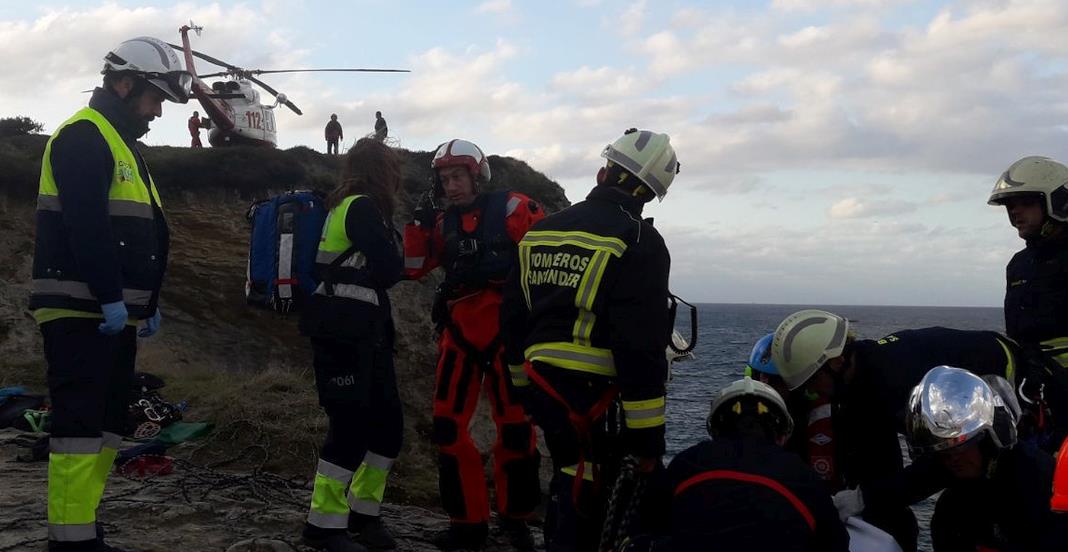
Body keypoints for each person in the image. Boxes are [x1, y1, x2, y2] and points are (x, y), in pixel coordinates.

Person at [28, 35, 190, 552]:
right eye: (155, 97)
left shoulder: (122, 146)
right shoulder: (84, 136)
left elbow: (140, 234)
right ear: (125, 83)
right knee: (80, 424)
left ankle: (83, 523)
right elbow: (88, 227)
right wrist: (110, 296)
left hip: (112, 311)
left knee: (110, 421)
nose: (158, 110)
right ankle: (69, 539)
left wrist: (147, 303)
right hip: (80, 308)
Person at [500, 128, 679, 552]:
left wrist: (522, 389)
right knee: (598, 488)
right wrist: (648, 442)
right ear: (651, 194)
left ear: (603, 172)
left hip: (544, 387)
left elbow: (512, 321)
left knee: (571, 473)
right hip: (595, 394)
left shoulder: (541, 233)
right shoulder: (639, 241)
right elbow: (639, 348)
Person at [769, 311, 1020, 552]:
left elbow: (945, 462)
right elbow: (881, 466)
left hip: (1011, 387)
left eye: (812, 383)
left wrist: (862, 499)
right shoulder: (862, 381)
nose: (816, 394)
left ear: (836, 362)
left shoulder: (895, 381)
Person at [403, 139, 543, 550]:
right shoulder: (439, 222)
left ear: (476, 175)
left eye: (457, 176)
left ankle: (516, 520)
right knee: (447, 427)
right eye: (445, 179)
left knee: (516, 431)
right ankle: (467, 523)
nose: (451, 185)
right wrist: (417, 224)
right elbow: (413, 269)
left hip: (508, 336)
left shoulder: (515, 209)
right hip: (460, 336)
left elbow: (548, 256)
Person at [298, 138, 405, 552]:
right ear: (382, 171)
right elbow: (390, 268)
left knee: (387, 427)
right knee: (350, 427)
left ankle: (364, 514)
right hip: (342, 334)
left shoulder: (356, 207)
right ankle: (323, 525)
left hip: (366, 334)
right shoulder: (359, 207)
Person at [639, 377, 850, 552]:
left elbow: (649, 525)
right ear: (781, 434)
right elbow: (836, 543)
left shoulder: (686, 463)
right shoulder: (801, 475)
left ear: (717, 428)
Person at [903, 365, 1068, 551]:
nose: (953, 460)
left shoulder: (1040, 486)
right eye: (943, 454)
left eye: (960, 449)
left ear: (987, 441)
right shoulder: (952, 507)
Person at [989, 155, 1068, 449]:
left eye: (1025, 203)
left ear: (1057, 202)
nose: (1015, 211)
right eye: (1010, 205)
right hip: (1033, 393)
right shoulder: (1019, 264)